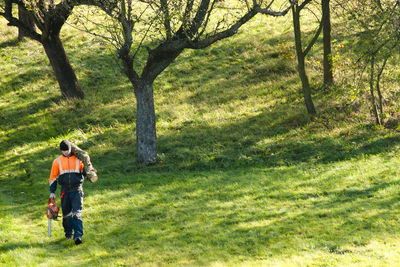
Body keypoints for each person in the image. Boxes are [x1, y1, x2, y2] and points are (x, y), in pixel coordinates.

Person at [49, 140, 89, 245]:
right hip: (65, 190)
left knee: (77, 213)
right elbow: (53, 177)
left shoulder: (79, 159)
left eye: (67, 150)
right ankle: (68, 234)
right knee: (66, 214)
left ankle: (78, 236)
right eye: (63, 151)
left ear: (71, 149)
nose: (66, 152)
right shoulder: (57, 161)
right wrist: (52, 191)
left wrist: (88, 170)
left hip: (77, 189)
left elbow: (86, 171)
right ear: (61, 151)